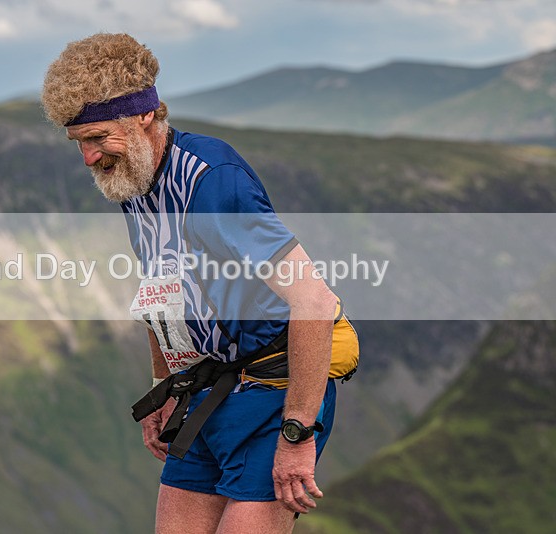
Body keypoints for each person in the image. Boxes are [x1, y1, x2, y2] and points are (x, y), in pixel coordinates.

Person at [42, 33, 355, 534]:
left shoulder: (213, 182)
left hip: (273, 396)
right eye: (79, 142)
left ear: (144, 115)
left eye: (98, 138)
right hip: (207, 390)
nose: (89, 158)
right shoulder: (134, 182)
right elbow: (160, 289)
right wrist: (163, 385)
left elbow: (314, 301)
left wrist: (298, 434)